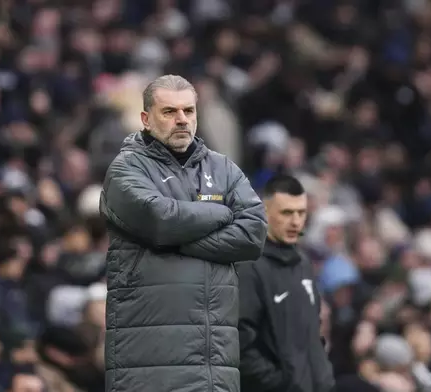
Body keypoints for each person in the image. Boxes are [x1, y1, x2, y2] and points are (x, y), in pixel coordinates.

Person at [100, 74, 267, 392]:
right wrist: (222, 213)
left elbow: (253, 233)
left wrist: (180, 239)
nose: (181, 120)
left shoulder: (224, 169)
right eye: (169, 112)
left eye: (188, 111)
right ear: (146, 119)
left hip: (214, 364)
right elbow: (161, 221)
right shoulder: (126, 170)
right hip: (149, 365)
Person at [237, 175, 335, 392]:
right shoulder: (248, 266)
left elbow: (313, 333)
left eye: (301, 213)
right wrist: (281, 384)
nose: (296, 222)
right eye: (287, 213)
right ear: (264, 212)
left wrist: (322, 376)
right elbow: (239, 341)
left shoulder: (303, 263)